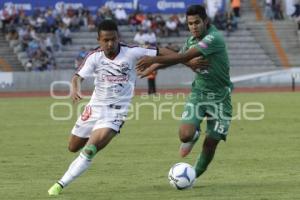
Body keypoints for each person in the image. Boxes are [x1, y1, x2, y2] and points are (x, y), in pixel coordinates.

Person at [47, 20, 162, 196]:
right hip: (94, 108)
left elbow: (163, 52)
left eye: (113, 39)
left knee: (90, 149)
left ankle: (60, 184)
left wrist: (185, 59)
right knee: (73, 147)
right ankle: (92, 139)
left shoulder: (132, 52)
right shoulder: (95, 56)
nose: (110, 43)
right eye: (106, 40)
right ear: (99, 40)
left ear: (118, 37)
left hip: (116, 112)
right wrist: (75, 87)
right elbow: (77, 77)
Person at [136, 5, 233, 179]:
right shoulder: (190, 40)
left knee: (211, 143)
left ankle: (192, 176)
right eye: (190, 23)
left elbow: (182, 57)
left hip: (221, 98)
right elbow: (177, 57)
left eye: (197, 22)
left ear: (206, 21)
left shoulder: (213, 38)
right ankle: (194, 134)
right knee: (184, 135)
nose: (193, 26)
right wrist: (153, 66)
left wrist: (153, 58)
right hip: (199, 93)